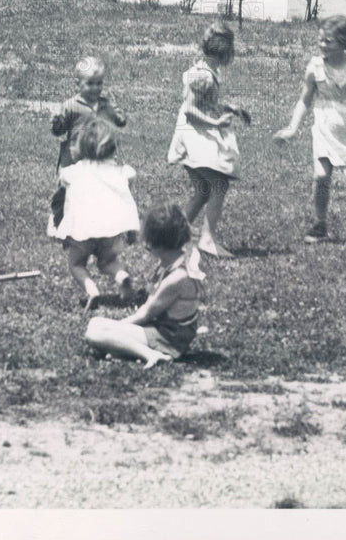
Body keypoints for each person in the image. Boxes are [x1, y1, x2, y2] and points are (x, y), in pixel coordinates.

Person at [274, 15, 346, 242]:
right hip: (324, 129)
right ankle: (320, 224)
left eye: (329, 41)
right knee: (321, 176)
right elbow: (304, 100)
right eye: (321, 41)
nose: (323, 45)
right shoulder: (315, 67)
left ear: (344, 42)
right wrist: (292, 129)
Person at [84, 203, 206, 368]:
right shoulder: (174, 263)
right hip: (165, 329)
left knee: (94, 333)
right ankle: (122, 349)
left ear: (156, 244)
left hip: (169, 338)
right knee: (96, 323)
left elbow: (145, 314)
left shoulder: (177, 278)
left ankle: (151, 354)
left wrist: (116, 329)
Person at [166, 22, 248, 259]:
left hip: (195, 132)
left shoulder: (207, 71)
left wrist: (229, 107)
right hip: (194, 132)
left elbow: (205, 103)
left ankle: (171, 236)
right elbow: (191, 109)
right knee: (219, 184)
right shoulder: (203, 75)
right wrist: (215, 123)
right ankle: (207, 239)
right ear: (226, 51)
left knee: (203, 190)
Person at [49, 118, 139, 309]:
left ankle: (92, 290)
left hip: (83, 228)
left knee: (76, 263)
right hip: (111, 229)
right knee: (108, 261)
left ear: (81, 147)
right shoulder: (123, 172)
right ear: (113, 148)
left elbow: (62, 183)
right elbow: (128, 192)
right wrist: (130, 230)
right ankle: (122, 277)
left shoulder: (72, 173)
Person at [48, 56, 127, 229]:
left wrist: (120, 117)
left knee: (96, 191)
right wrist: (56, 122)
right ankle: (59, 220)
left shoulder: (106, 105)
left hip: (99, 158)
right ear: (78, 84)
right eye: (90, 83)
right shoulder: (71, 106)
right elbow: (58, 131)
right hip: (74, 158)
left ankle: (92, 222)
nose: (95, 88)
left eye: (99, 83)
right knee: (67, 190)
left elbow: (118, 122)